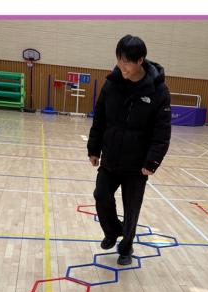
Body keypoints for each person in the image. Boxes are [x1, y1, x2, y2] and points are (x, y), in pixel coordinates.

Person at [87, 34, 172, 265]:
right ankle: (112, 231)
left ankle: (126, 248)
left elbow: (162, 131)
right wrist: (94, 149)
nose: (121, 66)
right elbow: (100, 117)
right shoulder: (112, 83)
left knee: (131, 209)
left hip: (137, 165)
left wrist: (152, 162)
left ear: (140, 60)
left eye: (127, 62)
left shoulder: (158, 91)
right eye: (119, 59)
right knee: (101, 195)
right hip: (111, 158)